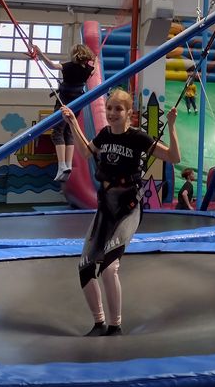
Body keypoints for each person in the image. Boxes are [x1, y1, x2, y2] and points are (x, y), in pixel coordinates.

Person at [60, 90, 180, 336]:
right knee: (85, 266)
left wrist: (171, 125)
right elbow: (86, 152)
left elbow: (173, 157)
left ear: (129, 113)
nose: (112, 113)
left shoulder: (138, 138)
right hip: (106, 206)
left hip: (128, 207)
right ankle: (99, 323)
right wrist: (72, 122)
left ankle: (115, 325)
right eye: (109, 108)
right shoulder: (104, 134)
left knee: (109, 268)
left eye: (118, 109)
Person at [33, 43, 95, 182]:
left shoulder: (69, 66)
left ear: (74, 54)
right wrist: (95, 61)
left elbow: (52, 66)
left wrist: (40, 54)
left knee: (57, 132)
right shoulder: (88, 69)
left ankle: (61, 165)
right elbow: (94, 70)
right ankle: (68, 165)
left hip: (64, 103)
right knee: (69, 132)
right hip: (77, 104)